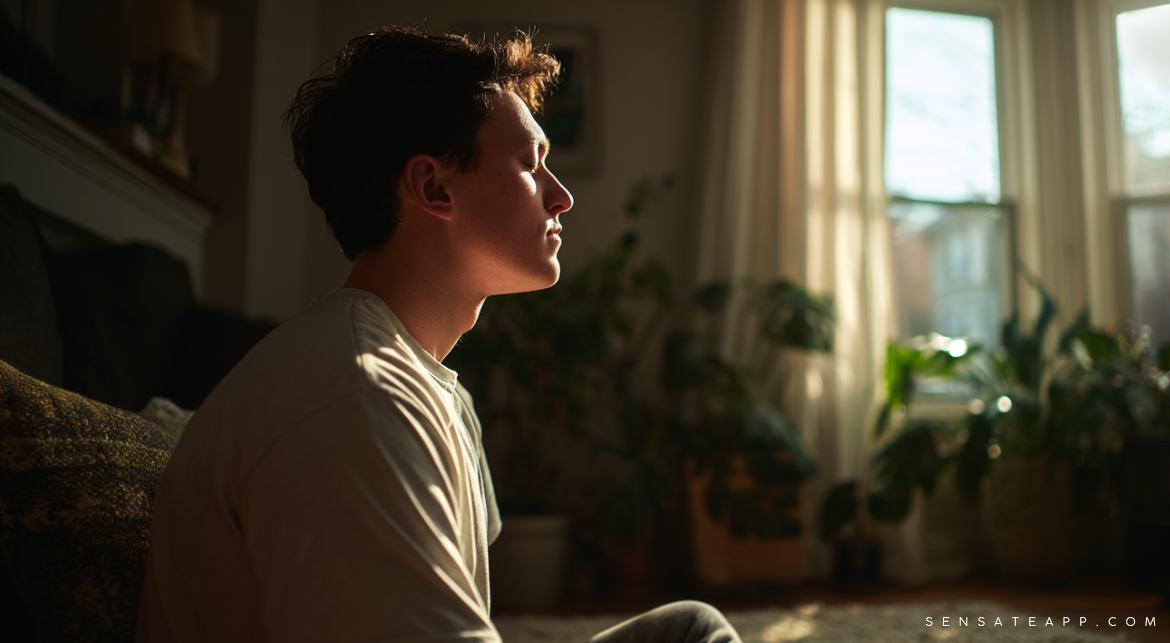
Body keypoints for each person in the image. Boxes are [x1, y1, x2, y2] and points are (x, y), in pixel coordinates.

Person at [137, 26, 742, 643]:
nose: (561, 197)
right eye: (532, 165)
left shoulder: (418, 383)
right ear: (433, 187)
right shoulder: (359, 399)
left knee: (691, 627)